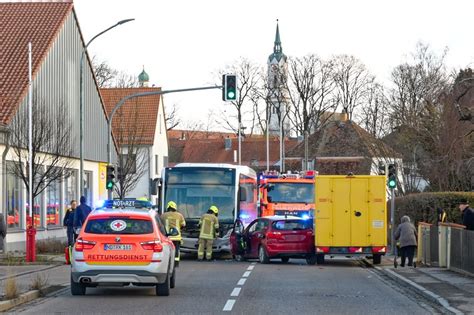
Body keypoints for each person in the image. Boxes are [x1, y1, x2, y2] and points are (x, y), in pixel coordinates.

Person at [161, 201, 186, 266]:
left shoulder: (163, 215)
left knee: (167, 250)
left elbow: (160, 225)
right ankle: (176, 263)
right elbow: (183, 225)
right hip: (176, 237)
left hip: (167, 237)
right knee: (176, 250)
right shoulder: (179, 215)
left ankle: (167, 263)